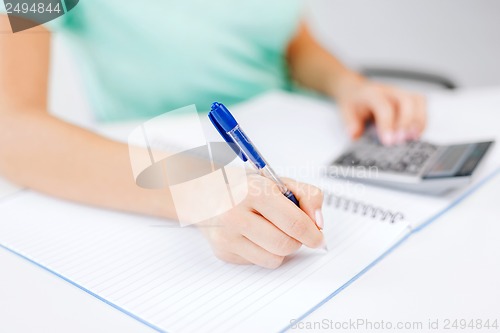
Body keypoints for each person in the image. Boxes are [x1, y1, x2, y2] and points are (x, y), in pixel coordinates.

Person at [0, 1, 426, 269]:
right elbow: (10, 129)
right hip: (156, 170)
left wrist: (346, 83)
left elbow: (289, 38)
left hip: (306, 138)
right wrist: (199, 191)